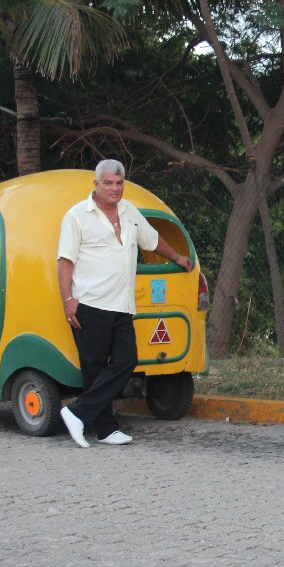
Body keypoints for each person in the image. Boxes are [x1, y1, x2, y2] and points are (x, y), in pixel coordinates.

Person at [57, 159, 192, 448]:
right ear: (96, 184)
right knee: (94, 369)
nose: (114, 188)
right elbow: (65, 260)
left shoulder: (129, 211)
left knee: (126, 360)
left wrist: (178, 258)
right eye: (108, 183)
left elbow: (152, 240)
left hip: (122, 305)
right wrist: (68, 300)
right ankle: (105, 429)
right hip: (90, 304)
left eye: (119, 183)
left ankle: (77, 412)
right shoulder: (77, 215)